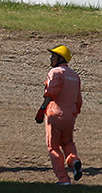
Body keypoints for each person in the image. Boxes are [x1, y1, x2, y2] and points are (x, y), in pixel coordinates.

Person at [36, 44, 84, 184]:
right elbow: (79, 100)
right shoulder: (75, 76)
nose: (51, 58)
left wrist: (42, 108)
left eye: (53, 56)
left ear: (60, 58)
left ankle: (63, 179)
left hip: (55, 114)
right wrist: (74, 113)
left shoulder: (55, 72)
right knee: (68, 142)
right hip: (70, 117)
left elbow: (51, 92)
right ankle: (74, 161)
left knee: (53, 147)